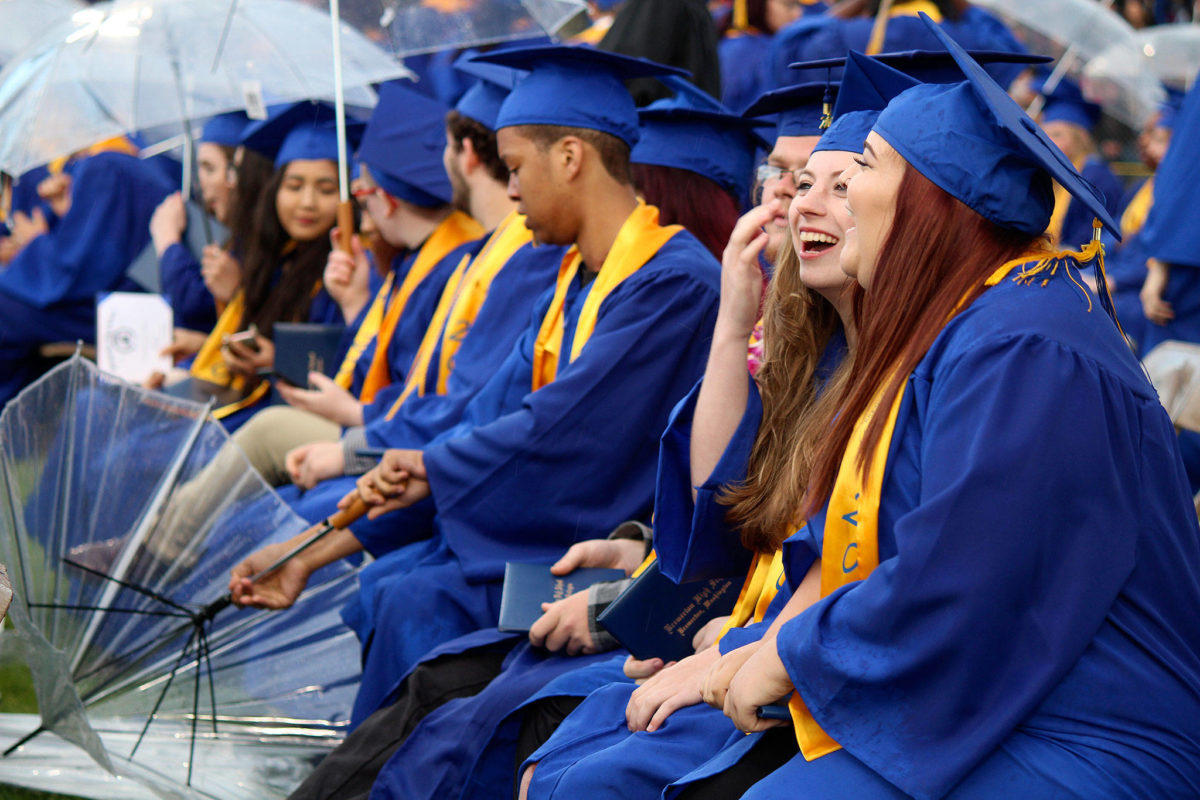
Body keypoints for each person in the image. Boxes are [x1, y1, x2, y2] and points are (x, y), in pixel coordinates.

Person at [703, 22, 1200, 798]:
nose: (836, 194)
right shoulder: (974, 328)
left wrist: (789, 655)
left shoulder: (1028, 348)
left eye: (863, 169)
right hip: (1009, 700)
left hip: (1089, 729)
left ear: (929, 205)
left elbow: (962, 576)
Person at [283, 78, 779, 800]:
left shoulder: (677, 285)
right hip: (590, 550)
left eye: (513, 166)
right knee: (409, 616)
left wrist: (422, 466)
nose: (506, 188)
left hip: (589, 553)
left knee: (423, 615)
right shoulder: (575, 277)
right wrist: (403, 469)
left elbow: (558, 433)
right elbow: (487, 410)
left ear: (570, 157)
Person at [222, 81, 483, 486]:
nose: (308, 202)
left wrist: (356, 413)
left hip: (400, 449)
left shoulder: (447, 272)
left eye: (355, 193)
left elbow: (420, 389)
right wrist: (355, 304)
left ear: (387, 201)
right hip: (387, 435)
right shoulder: (414, 264)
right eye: (294, 186)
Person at [170, 103, 354, 430]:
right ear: (275, 190)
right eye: (294, 186)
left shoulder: (349, 268)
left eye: (326, 190)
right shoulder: (274, 258)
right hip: (246, 402)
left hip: (287, 417)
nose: (307, 203)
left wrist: (279, 360)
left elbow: (348, 364)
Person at [0, 142, 174, 405]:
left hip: (115, 307)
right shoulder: (107, 163)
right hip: (129, 295)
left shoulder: (103, 166)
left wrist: (35, 243)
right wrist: (64, 212)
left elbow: (77, 271)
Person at [148, 111, 249, 332]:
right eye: (199, 169)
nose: (200, 183)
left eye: (210, 168)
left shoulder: (253, 241)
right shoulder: (223, 233)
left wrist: (168, 241)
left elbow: (197, 308)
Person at [1035, 77, 1124, 249]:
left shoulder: (1099, 180)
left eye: (1057, 134)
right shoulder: (1046, 174)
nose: (1048, 141)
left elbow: (1093, 237)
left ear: (1080, 138)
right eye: (1044, 134)